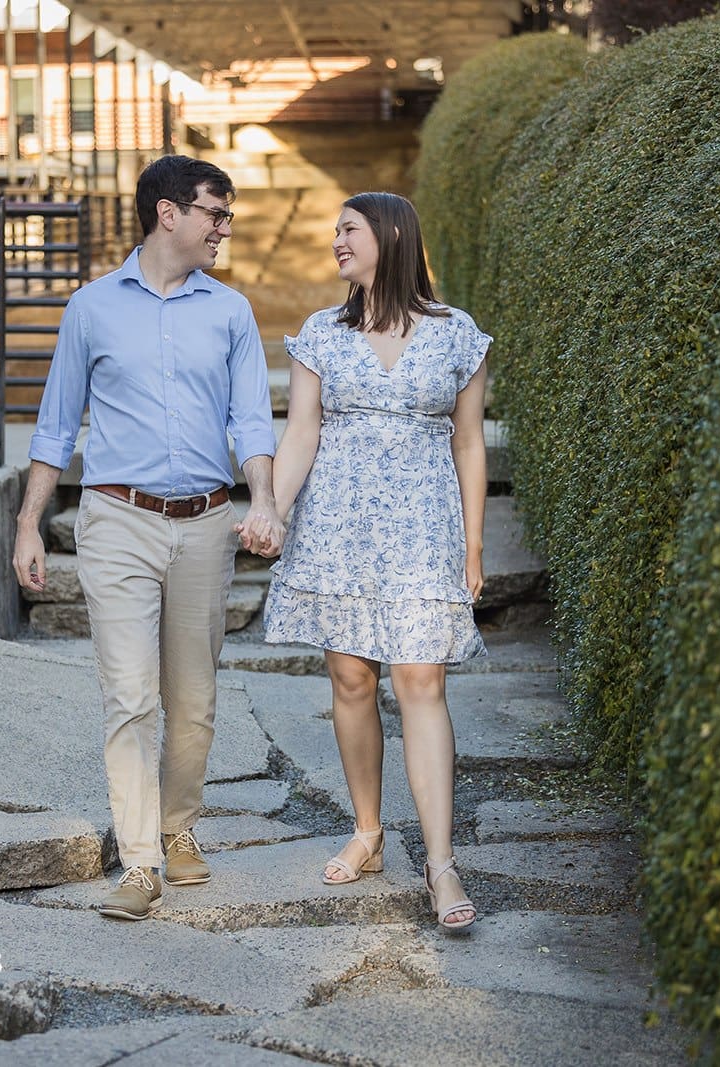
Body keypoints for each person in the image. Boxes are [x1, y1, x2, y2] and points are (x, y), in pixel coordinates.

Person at [13, 155, 281, 921]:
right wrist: (31, 523)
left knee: (192, 700)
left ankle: (178, 824)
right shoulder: (91, 308)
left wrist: (262, 498)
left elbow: (251, 421)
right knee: (130, 696)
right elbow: (56, 425)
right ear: (169, 213)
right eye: (215, 214)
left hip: (203, 524)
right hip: (117, 521)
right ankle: (140, 862)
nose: (223, 228)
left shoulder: (230, 312)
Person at [255, 191, 489, 932]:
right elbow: (300, 434)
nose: (335, 241)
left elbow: (470, 444)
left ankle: (441, 862)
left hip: (424, 529)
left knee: (421, 679)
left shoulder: (458, 336)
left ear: (389, 236)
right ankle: (368, 831)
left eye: (348, 230)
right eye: (333, 231)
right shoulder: (322, 334)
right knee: (352, 678)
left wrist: (474, 544)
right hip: (339, 526)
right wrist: (274, 508)